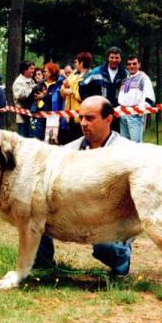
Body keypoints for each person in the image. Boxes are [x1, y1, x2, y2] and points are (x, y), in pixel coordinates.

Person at [36, 96, 135, 276]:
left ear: (108, 120)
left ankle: (121, 263)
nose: (83, 123)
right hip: (77, 213)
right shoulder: (68, 151)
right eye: (81, 117)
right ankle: (41, 264)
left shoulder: (129, 153)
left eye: (90, 118)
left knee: (105, 246)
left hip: (115, 218)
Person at [79, 46, 128, 132]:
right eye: (112, 57)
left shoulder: (126, 75)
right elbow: (83, 86)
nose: (114, 60)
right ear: (108, 58)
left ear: (120, 59)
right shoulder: (96, 72)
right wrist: (89, 102)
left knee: (117, 138)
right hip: (100, 113)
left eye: (117, 58)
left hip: (119, 114)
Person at [117, 55, 155, 143]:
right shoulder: (125, 79)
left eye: (134, 64)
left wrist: (140, 109)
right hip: (123, 113)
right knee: (124, 142)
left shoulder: (143, 78)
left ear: (139, 65)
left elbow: (149, 96)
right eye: (129, 64)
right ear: (126, 66)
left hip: (135, 114)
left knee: (135, 143)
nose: (132, 66)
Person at [61, 52, 93, 142]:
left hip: (81, 116)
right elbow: (62, 93)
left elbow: (84, 96)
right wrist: (65, 86)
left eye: (76, 62)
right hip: (70, 115)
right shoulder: (74, 76)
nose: (75, 64)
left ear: (81, 63)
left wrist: (72, 92)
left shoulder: (89, 77)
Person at [12, 60, 35, 137]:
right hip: (23, 116)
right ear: (25, 70)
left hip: (31, 115)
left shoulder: (31, 80)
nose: (33, 71)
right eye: (31, 68)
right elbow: (19, 95)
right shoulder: (19, 82)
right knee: (22, 138)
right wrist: (32, 90)